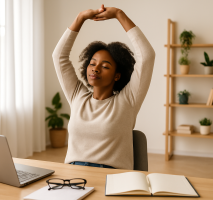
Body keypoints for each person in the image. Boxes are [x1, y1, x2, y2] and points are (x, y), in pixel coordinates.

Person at [52, 4, 155, 170]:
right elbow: (59, 56)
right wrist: (80, 18)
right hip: (74, 176)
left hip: (111, 177)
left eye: (105, 66)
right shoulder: (77, 96)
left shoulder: (128, 100)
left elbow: (147, 56)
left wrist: (119, 14)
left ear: (117, 75)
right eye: (92, 63)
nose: (96, 68)